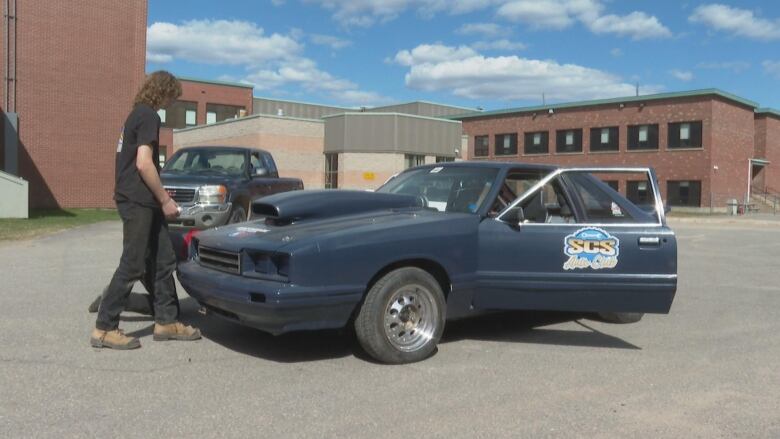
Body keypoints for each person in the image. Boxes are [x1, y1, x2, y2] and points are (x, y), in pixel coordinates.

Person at [90, 71, 200, 349]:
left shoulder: (136, 115)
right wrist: (164, 199)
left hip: (143, 200)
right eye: (171, 96)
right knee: (134, 263)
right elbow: (143, 163)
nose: (171, 102)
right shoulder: (148, 115)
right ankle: (104, 327)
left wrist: (159, 196)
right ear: (162, 92)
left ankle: (166, 321)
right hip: (139, 201)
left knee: (164, 260)